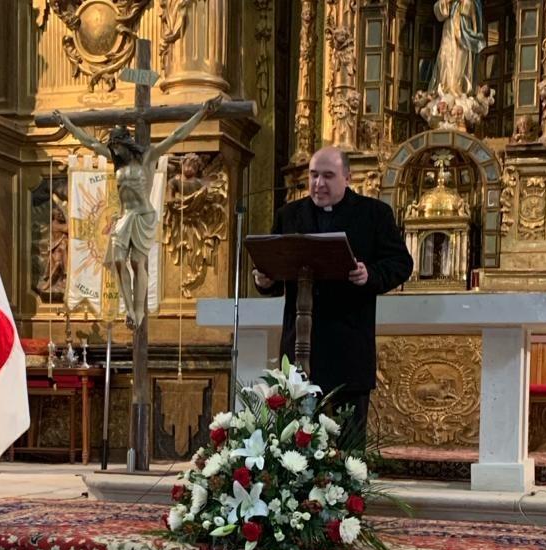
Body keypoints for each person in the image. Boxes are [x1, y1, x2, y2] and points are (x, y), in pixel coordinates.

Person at [253, 147, 414, 437]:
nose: (318, 184)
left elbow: (401, 264)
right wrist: (266, 281)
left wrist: (370, 275)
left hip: (348, 344)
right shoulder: (289, 214)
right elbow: (277, 271)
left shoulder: (374, 214)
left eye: (328, 176)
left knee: (348, 443)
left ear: (347, 177)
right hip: (301, 343)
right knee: (296, 439)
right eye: (313, 176)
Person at [52, 96, 221, 328]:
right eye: (112, 147)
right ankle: (129, 310)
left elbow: (177, 136)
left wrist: (202, 113)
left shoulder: (148, 156)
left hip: (143, 216)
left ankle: (139, 312)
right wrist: (67, 123)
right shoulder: (116, 161)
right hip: (125, 216)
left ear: (125, 143)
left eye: (116, 145)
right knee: (119, 261)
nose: (114, 150)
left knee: (136, 262)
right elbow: (90, 143)